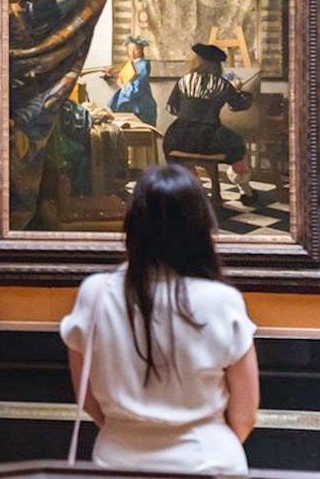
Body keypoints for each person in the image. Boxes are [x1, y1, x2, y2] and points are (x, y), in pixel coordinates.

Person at [60, 163, 259, 474]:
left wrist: (128, 433)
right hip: (209, 462)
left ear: (133, 227)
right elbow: (245, 414)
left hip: (117, 461)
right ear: (201, 228)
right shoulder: (222, 302)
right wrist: (206, 446)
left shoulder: (95, 294)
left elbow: (87, 398)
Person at [164, 43, 256, 202]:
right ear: (216, 65)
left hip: (179, 137)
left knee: (176, 148)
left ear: (197, 61)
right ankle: (246, 191)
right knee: (238, 146)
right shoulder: (222, 84)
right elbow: (239, 105)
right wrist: (238, 89)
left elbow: (173, 108)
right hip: (208, 138)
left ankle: (194, 186)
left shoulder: (184, 80)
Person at [107, 35, 158, 126]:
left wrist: (121, 84)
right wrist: (115, 74)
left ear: (141, 50)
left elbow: (136, 88)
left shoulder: (143, 65)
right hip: (132, 103)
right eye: (130, 49)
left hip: (140, 105)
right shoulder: (133, 64)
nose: (132, 52)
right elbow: (127, 78)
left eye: (136, 49)